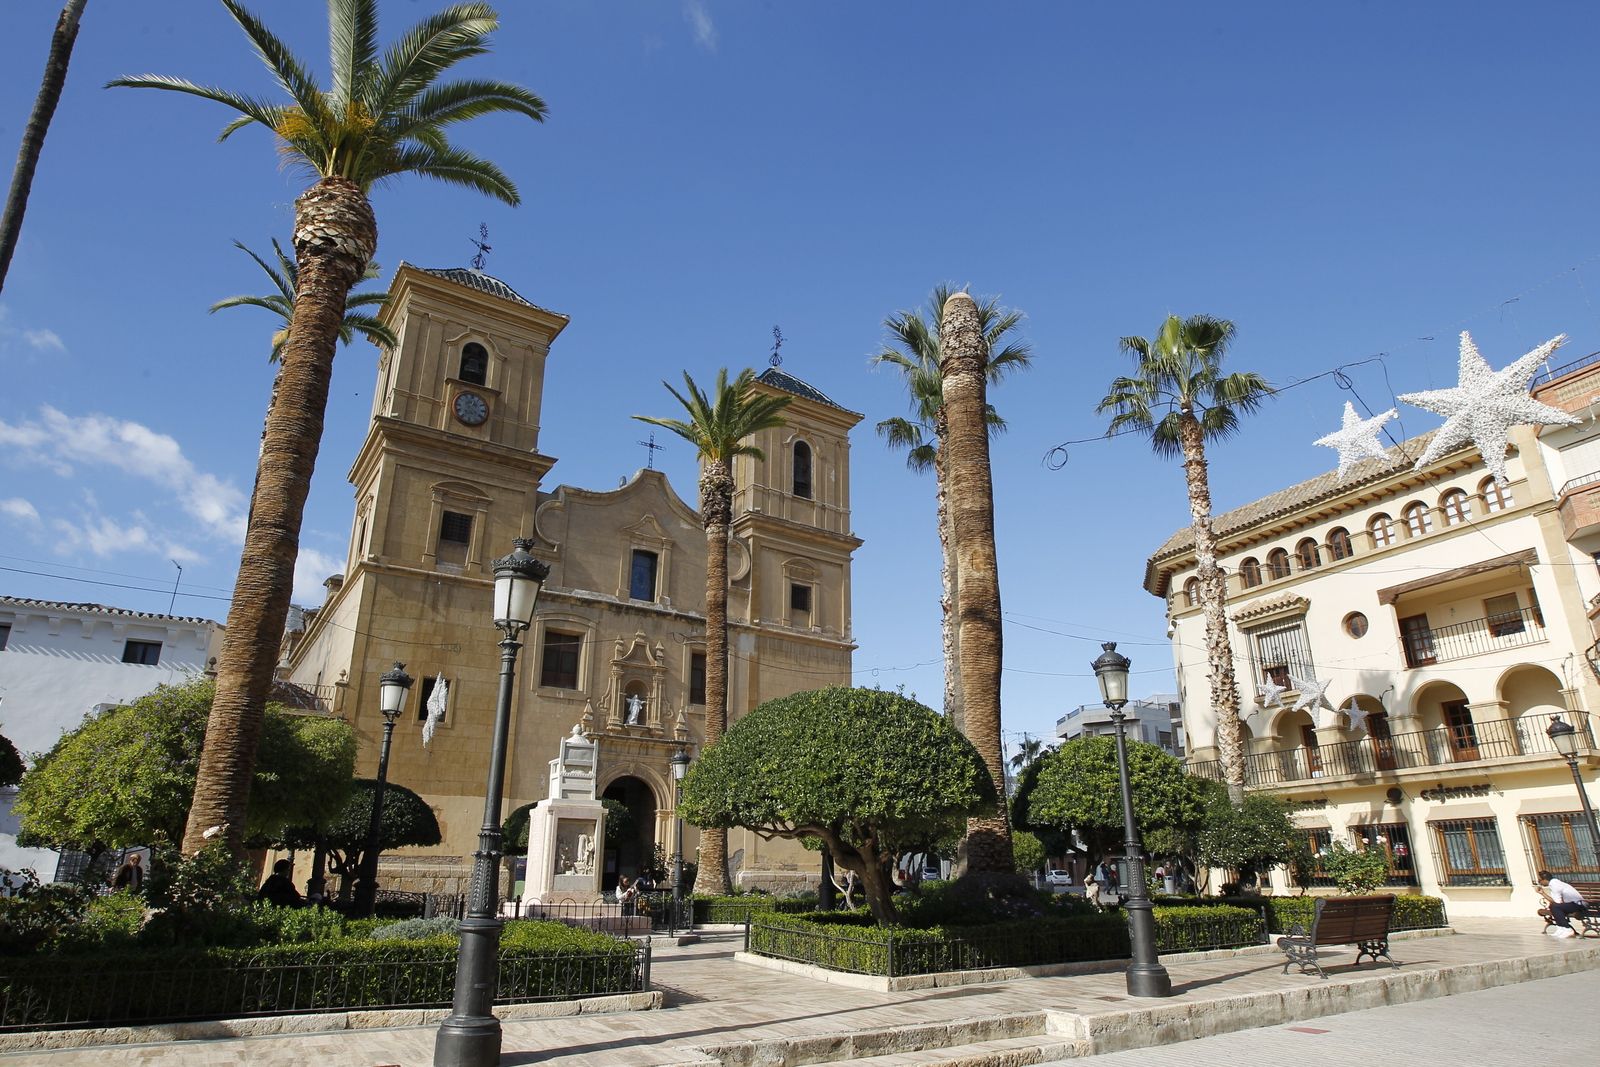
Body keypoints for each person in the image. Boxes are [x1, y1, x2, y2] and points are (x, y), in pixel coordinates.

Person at [1538, 869, 1587, 937]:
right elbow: (1555, 902)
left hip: (1579, 905)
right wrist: (1542, 893)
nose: (1539, 883)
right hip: (1573, 904)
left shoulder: (1555, 885)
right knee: (1553, 906)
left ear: (1545, 879)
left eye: (1539, 880)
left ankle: (1567, 929)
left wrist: (1543, 894)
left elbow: (1557, 903)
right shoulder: (1553, 884)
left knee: (1555, 906)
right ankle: (1561, 928)